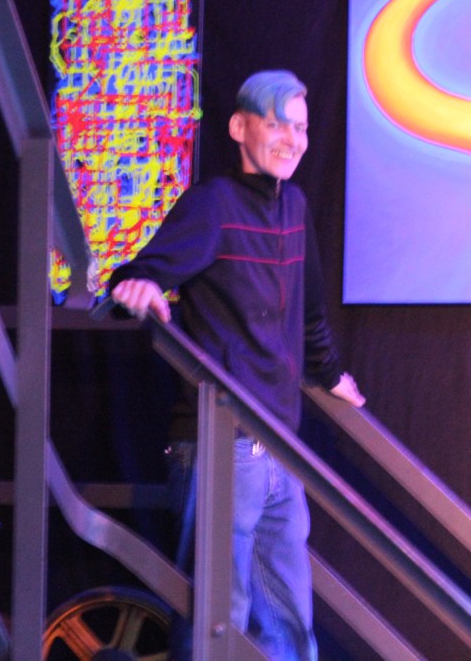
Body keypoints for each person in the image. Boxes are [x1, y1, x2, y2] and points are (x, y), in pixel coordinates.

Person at [108, 69, 365, 661]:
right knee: (216, 621)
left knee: (289, 619)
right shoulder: (214, 204)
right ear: (239, 127)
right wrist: (137, 284)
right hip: (220, 446)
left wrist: (330, 375)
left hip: (281, 446)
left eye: (301, 128)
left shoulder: (294, 205)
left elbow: (310, 311)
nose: (292, 139)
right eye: (277, 124)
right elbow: (145, 270)